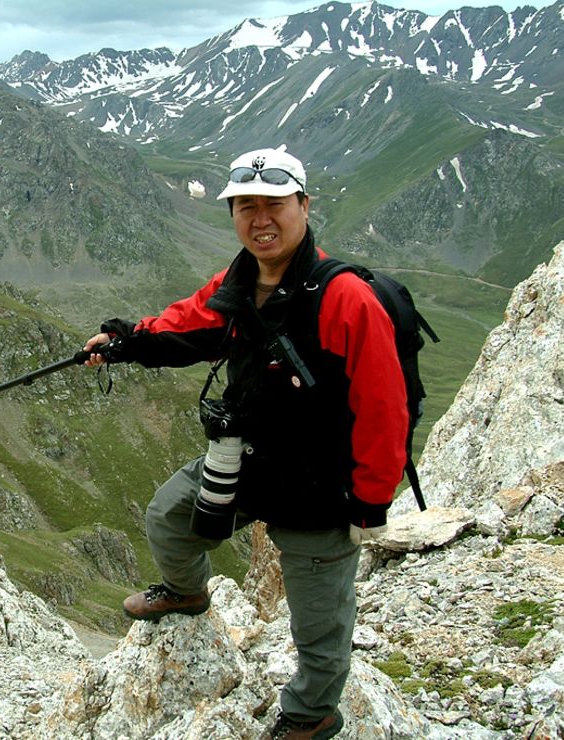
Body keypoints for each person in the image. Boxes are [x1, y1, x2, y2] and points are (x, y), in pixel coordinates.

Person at [83, 147, 408, 740]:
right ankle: (187, 593)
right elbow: (190, 323)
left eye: (275, 205)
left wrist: (369, 503)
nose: (261, 219)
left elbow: (384, 410)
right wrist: (125, 339)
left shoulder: (346, 300)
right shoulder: (238, 281)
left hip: (318, 485)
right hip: (247, 460)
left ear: (304, 206)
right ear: (233, 213)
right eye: (246, 206)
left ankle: (312, 715)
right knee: (167, 517)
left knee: (318, 623)